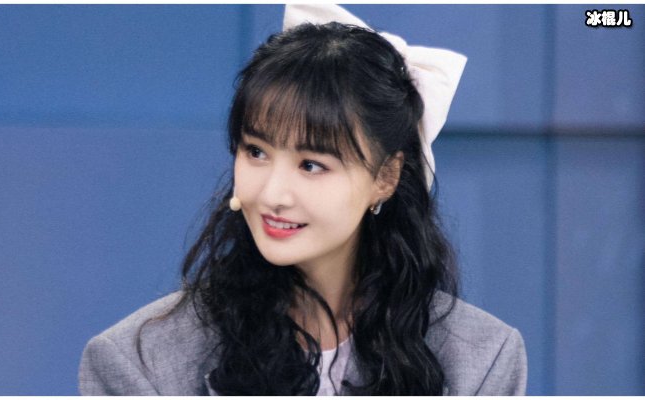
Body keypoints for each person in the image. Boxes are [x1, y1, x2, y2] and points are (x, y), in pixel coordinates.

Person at [79, 4, 527, 396]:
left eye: (311, 164)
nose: (272, 194)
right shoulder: (141, 362)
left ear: (385, 177)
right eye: (256, 152)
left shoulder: (481, 360)